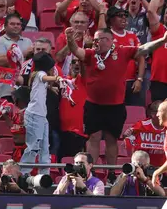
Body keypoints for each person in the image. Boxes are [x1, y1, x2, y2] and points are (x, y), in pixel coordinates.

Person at [64, 26, 167, 166]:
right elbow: (76, 51)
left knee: (111, 139)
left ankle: (111, 173)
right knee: (93, 138)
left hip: (115, 106)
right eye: (95, 40)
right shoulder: (91, 54)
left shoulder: (122, 51)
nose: (97, 42)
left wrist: (162, 40)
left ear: (111, 40)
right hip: (94, 105)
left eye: (101, 39)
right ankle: (90, 171)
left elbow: (143, 49)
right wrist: (70, 39)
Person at [20, 52, 60, 171]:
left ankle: (44, 175)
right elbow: (44, 77)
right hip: (34, 115)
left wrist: (51, 87)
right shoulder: (39, 74)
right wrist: (57, 78)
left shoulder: (37, 78)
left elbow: (44, 83)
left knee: (45, 148)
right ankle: (23, 174)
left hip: (42, 116)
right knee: (33, 147)